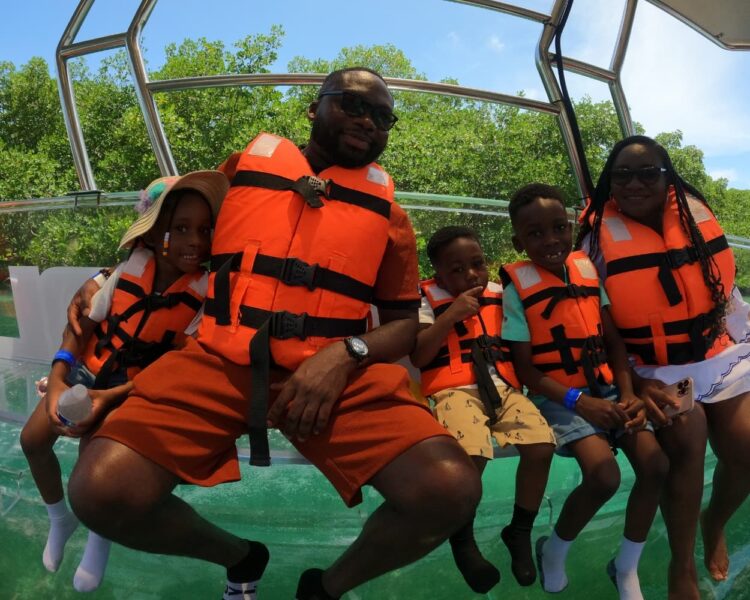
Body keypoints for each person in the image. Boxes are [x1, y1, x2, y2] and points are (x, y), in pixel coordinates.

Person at [65, 67, 481, 600]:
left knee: (450, 489)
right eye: (352, 105)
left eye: (382, 117)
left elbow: (403, 327)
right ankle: (240, 556)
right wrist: (104, 276)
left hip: (335, 373)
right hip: (216, 358)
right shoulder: (240, 171)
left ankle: (325, 589)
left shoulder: (391, 218)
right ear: (313, 108)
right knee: (100, 492)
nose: (367, 122)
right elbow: (174, 235)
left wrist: (346, 354)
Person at [19, 171, 227, 591]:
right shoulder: (126, 271)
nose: (195, 241)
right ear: (154, 234)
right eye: (180, 229)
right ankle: (59, 519)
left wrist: (108, 398)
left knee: (93, 463)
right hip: (88, 369)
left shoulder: (205, 294)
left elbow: (175, 365)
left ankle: (99, 534)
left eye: (205, 230)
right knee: (32, 440)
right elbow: (80, 327)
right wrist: (60, 375)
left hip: (136, 389)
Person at [577, 135, 750, 600]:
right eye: (622, 176)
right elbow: (594, 325)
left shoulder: (692, 218)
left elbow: (726, 296)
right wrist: (631, 380)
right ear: (610, 184)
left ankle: (714, 524)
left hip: (718, 354)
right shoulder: (595, 240)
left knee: (747, 447)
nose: (634, 184)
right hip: (651, 369)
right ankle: (682, 566)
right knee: (688, 439)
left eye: (647, 173)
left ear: (667, 177)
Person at [500, 183, 669, 600]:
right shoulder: (515, 291)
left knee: (656, 466)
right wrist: (581, 402)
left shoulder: (588, 272)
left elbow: (614, 342)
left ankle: (625, 567)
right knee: (603, 475)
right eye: (535, 234)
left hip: (610, 390)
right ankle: (553, 551)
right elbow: (527, 370)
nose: (551, 240)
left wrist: (627, 392)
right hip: (560, 398)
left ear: (570, 227)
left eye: (559, 228)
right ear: (518, 240)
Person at [410, 225, 555, 592]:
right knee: (471, 453)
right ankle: (462, 537)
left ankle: (519, 531)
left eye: (477, 264)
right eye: (456, 270)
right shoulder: (425, 299)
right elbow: (420, 354)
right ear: (438, 274)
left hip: (504, 388)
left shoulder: (501, 295)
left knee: (540, 446)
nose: (471, 275)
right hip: (454, 389)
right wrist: (449, 316)